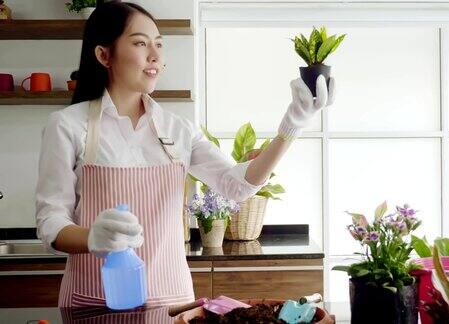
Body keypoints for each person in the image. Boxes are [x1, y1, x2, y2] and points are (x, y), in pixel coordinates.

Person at [35, 1, 335, 308]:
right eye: (140, 43)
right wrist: (91, 238)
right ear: (103, 55)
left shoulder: (178, 130)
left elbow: (238, 186)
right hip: (94, 304)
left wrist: (292, 125)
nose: (155, 55)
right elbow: (50, 220)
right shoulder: (68, 125)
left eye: (159, 45)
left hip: (173, 303)